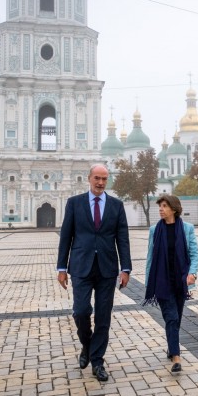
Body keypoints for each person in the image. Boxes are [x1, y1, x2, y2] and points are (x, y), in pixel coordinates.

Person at [57, 164, 132, 382]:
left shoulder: (116, 205)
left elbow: (123, 239)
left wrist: (125, 268)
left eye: (104, 179)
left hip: (107, 269)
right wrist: (62, 267)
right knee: (80, 311)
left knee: (103, 316)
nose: (100, 183)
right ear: (89, 178)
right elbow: (66, 236)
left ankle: (97, 361)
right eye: (97, 178)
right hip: (81, 267)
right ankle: (87, 346)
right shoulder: (74, 203)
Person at [143, 194, 198, 373]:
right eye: (160, 206)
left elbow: (194, 254)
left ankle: (171, 346)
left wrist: (192, 274)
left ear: (174, 209)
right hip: (162, 281)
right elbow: (150, 257)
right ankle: (176, 357)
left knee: (176, 318)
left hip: (180, 281)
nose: (161, 209)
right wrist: (148, 281)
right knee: (172, 317)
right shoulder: (154, 230)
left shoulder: (187, 229)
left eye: (165, 206)